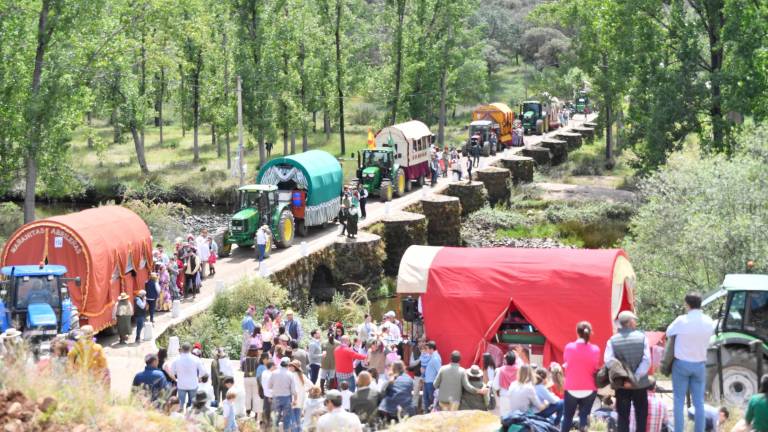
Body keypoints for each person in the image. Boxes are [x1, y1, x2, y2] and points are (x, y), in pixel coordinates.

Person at [666, 292, 714, 432]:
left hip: (681, 364)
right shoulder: (708, 321)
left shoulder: (681, 320)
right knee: (699, 402)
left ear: (687, 304)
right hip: (699, 364)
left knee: (679, 401)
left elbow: (669, 332)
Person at [605, 311, 652, 432]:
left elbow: (608, 361)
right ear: (630, 322)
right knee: (641, 416)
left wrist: (624, 377)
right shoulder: (642, 338)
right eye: (634, 320)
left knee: (623, 417)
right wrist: (635, 378)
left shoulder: (612, 340)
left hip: (622, 385)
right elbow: (646, 361)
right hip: (640, 384)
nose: (635, 322)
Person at [561, 321, 601, 432]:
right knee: (585, 417)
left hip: (571, 388)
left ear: (577, 332)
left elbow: (567, 363)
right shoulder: (595, 349)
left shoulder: (569, 347)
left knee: (567, 417)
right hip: (589, 388)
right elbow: (595, 367)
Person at [173, 342, 207, 411]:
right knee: (192, 406)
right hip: (193, 384)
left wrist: (177, 377)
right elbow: (203, 372)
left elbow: (172, 372)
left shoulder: (176, 359)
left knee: (180, 405)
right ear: (190, 349)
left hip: (181, 384)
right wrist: (199, 377)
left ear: (182, 349)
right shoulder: (196, 359)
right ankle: (189, 419)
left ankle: (180, 418)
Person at [269, 357, 298, 430]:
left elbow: (269, 386)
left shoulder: (274, 373)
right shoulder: (290, 374)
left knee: (276, 418)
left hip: (276, 397)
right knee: (287, 419)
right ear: (288, 365)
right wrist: (295, 400)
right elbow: (293, 390)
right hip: (287, 398)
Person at [493, 351, 519, 416]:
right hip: (516, 396)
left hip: (504, 397)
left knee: (504, 418)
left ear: (506, 360)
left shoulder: (500, 370)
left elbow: (495, 386)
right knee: (515, 418)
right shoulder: (519, 369)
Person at [289, 359, 311, 432]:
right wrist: (305, 390)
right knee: (298, 418)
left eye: (291, 366)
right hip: (300, 400)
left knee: (293, 419)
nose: (289, 367)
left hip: (292, 400)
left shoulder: (290, 375)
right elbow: (311, 385)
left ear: (294, 367)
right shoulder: (302, 375)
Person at [420, 340, 442, 413]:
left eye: (427, 349)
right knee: (427, 400)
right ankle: (427, 414)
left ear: (431, 349)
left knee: (431, 401)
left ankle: (430, 415)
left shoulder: (435, 358)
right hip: (428, 381)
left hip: (431, 383)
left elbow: (439, 371)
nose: (426, 350)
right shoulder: (433, 357)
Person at [242, 345, 262, 418]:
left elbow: (243, 369)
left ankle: (248, 411)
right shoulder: (258, 359)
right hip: (255, 378)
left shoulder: (244, 359)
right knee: (256, 395)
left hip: (246, 378)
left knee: (248, 395)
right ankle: (256, 413)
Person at [261, 360, 275, 427]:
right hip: (270, 394)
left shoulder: (264, 372)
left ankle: (265, 422)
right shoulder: (271, 374)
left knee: (266, 408)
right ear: (272, 366)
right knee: (270, 410)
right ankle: (269, 423)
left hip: (265, 393)